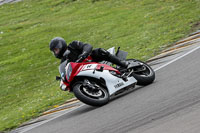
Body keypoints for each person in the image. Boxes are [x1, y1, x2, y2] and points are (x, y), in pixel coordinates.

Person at [49, 37, 131, 68]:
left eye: (56, 50)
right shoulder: (63, 61)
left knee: (100, 51)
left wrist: (84, 54)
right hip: (84, 69)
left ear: (61, 45)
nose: (55, 52)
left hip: (92, 59)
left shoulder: (73, 45)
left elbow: (87, 45)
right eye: (54, 51)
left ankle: (122, 64)